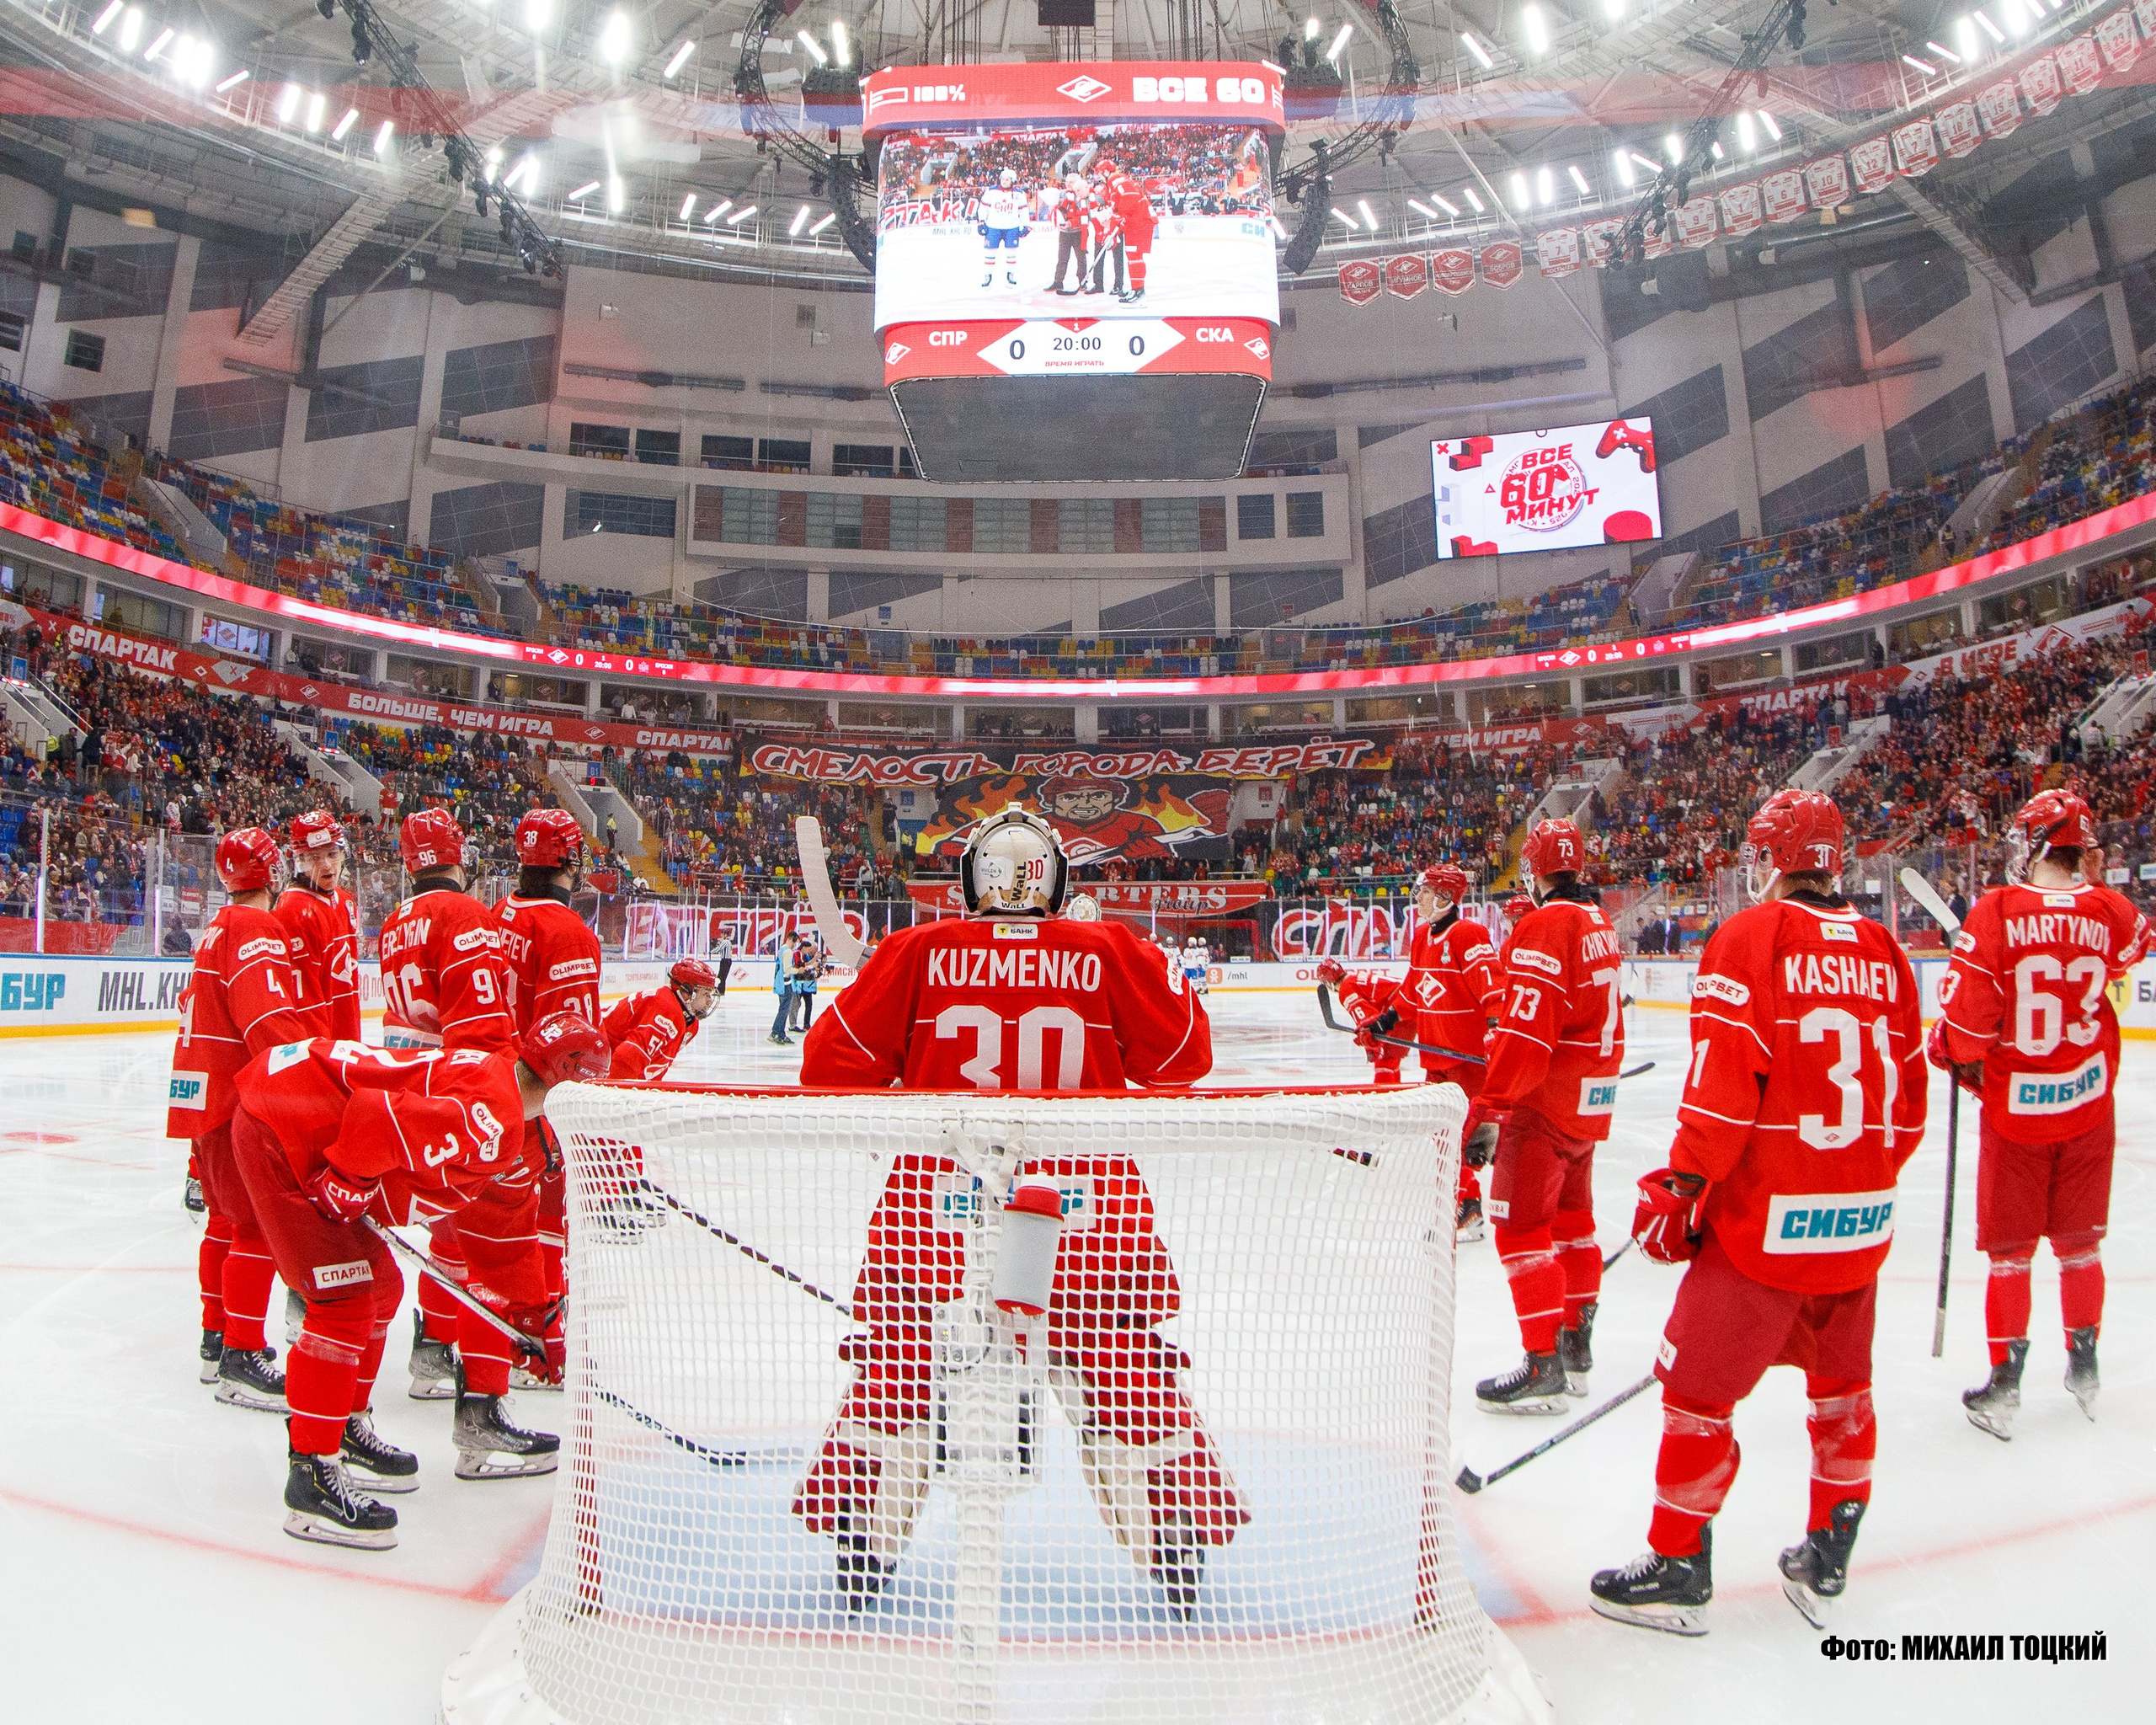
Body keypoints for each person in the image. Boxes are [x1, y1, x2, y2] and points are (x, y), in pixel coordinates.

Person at [794, 807, 1232, 1616]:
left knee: (895, 1368)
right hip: (1089, 1209)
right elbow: (1183, 1061)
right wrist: (1109, 960)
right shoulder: (1107, 949)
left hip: (934, 1208)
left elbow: (826, 1069)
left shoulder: (916, 950)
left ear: (970, 883)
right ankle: (1176, 1546)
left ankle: (862, 1546)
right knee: (1127, 1366)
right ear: (1059, 883)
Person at [1590, 789, 1925, 1634]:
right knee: (1843, 1387)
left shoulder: (1749, 937)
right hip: (1859, 1220)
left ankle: (1677, 1562)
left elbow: (1722, 1088)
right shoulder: (1887, 949)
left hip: (1764, 1223)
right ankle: (1829, 1549)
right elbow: (1909, 1104)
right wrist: (1862, 1177)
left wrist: (1684, 1182)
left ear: (1773, 858)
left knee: (1696, 1392)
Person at [228, 1012, 610, 1549]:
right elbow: (376, 1117)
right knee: (344, 1302)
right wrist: (347, 1177)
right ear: (567, 1077)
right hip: (283, 1121)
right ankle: (311, 1475)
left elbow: (500, 1229)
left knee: (380, 1291)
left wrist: (530, 1314)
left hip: (298, 1105)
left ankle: (344, 1428)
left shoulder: (502, 1098)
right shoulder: (495, 1116)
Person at [1929, 789, 2150, 1439]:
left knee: (2011, 1254)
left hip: (2017, 1115)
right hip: (2086, 1107)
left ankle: (2005, 1386)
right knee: (2081, 1246)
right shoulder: (2110, 909)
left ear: (2035, 843)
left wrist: (1948, 1048)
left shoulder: (1996, 911)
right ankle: (2085, 1369)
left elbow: (1967, 1028)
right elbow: (2131, 950)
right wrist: (2095, 887)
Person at [1461, 820, 1625, 1413]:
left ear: (1533, 870)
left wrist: (1490, 1105)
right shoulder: (1597, 920)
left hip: (1544, 1104)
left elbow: (1527, 1032)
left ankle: (1542, 1363)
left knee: (1521, 1229)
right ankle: (1575, 1350)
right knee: (1574, 1222)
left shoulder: (1545, 924)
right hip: (1591, 1103)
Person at [166, 826, 316, 1412]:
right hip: (234, 1101)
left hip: (200, 1096)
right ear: (272, 872)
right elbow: (267, 1024)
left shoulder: (217, 927)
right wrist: (308, 1082)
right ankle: (242, 1354)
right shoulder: (256, 927)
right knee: (253, 1223)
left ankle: (216, 1337)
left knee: (224, 1221)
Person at [376, 806, 522, 1402]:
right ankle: (483, 1395)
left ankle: (432, 1349)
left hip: (408, 1087)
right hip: (454, 1089)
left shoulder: (394, 920)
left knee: (447, 1234)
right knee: (487, 1244)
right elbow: (481, 1028)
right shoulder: (463, 912)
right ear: (457, 854)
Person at [1323, 864, 1504, 1239]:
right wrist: (1384, 1022)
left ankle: (1482, 1209)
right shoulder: (1423, 937)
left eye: (1424, 891)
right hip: (1437, 1057)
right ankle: (1464, 1207)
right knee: (1443, 1139)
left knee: (1466, 1139)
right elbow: (1412, 991)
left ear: (1443, 896)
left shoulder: (1468, 934)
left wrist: (1495, 1029)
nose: (1417, 897)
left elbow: (1493, 987)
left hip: (1466, 1058)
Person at [494, 807, 605, 1382]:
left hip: (490, 1092)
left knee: (492, 1232)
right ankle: (535, 1347)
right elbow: (574, 1046)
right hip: (538, 1104)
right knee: (543, 1223)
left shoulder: (499, 913)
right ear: (569, 859)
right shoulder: (565, 932)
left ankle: (475, 1341)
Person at [275, 809, 361, 1044]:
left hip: (346, 1045)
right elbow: (304, 1003)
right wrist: (319, 1058)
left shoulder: (345, 902)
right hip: (318, 1051)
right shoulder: (293, 910)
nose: (326, 865)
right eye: (314, 858)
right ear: (299, 860)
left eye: (332, 854)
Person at [604, 956, 719, 1080]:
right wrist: (617, 1094)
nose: (709, 1001)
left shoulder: (691, 1024)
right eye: (706, 994)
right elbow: (627, 1058)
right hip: (594, 1046)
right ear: (686, 991)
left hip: (605, 1057)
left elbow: (656, 1064)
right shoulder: (666, 1008)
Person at [978, 166, 1029, 289]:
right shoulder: (991, 191)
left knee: (1011, 253)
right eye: (1003, 179)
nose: (1004, 181)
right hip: (993, 226)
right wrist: (981, 222)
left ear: (1012, 180)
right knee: (990, 253)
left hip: (1012, 227)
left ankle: (1010, 276)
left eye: (1007, 179)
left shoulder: (1019, 194)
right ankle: (988, 276)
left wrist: (1026, 225)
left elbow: (1023, 210)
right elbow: (983, 207)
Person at [712, 928, 734, 996]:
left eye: (722, 934)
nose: (721, 935)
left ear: (725, 935)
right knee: (723, 976)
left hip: (725, 960)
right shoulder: (729, 942)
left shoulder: (725, 942)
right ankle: (721, 991)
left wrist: (709, 952)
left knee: (721, 976)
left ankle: (719, 991)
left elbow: (719, 949)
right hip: (728, 961)